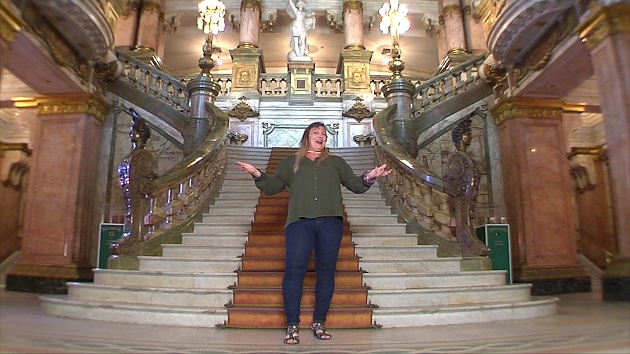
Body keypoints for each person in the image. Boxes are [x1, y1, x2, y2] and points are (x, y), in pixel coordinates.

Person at [235, 122, 391, 345]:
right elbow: (272, 187)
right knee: (294, 272)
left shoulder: (335, 162)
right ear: (307, 137)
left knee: (326, 273)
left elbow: (356, 185)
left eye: (324, 134)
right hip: (300, 223)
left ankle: (319, 322)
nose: (321, 136)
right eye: (316, 132)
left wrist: (370, 176)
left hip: (331, 223)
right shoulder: (291, 162)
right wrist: (256, 173)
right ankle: (292, 325)